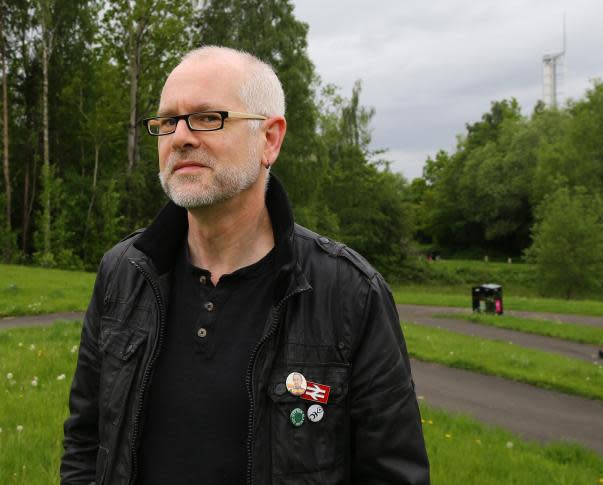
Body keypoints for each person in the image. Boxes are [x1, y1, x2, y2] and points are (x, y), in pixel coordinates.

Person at [60, 46, 429, 485]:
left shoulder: (351, 294)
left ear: (269, 139)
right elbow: (86, 445)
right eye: (168, 122)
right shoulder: (123, 273)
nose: (180, 137)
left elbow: (393, 474)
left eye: (207, 117)